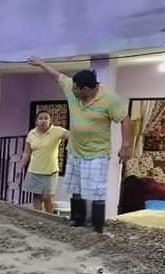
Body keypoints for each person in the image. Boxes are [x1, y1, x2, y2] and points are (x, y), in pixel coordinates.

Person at [28, 57, 134, 233]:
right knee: (76, 187)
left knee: (96, 190)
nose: (72, 90)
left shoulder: (109, 99)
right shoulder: (73, 87)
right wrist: (41, 64)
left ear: (86, 89)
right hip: (75, 150)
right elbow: (57, 76)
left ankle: (97, 225)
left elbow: (125, 120)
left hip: (97, 153)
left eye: (76, 89)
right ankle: (77, 220)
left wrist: (126, 146)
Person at [21, 110, 69, 213]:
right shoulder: (31, 133)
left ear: (50, 121)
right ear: (36, 121)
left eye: (46, 118)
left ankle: (49, 217)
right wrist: (21, 165)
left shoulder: (57, 131)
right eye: (40, 118)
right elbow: (26, 152)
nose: (43, 120)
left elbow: (71, 137)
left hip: (50, 171)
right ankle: (38, 217)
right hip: (34, 170)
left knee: (48, 197)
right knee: (37, 196)